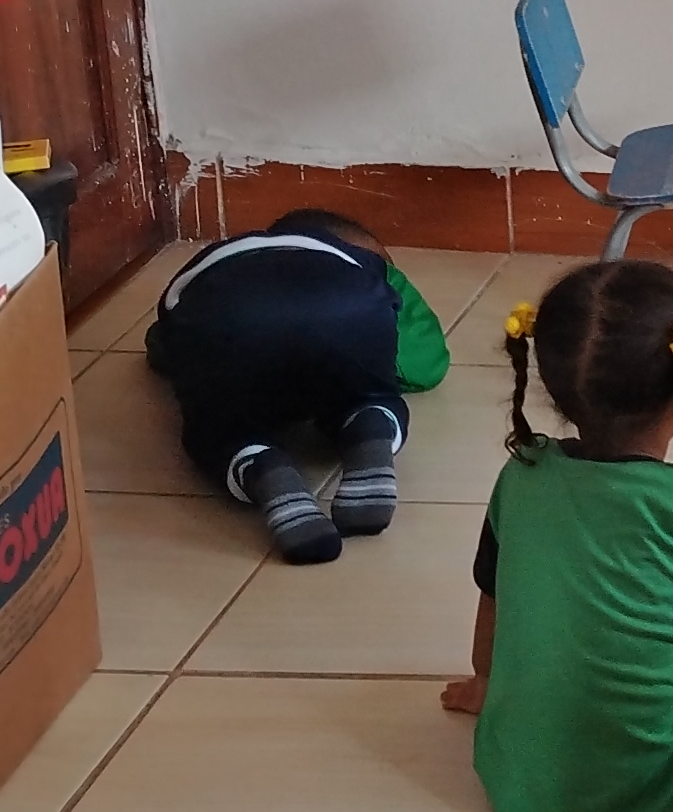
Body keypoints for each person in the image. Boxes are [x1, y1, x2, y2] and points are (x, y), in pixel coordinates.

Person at [444, 261, 673, 812]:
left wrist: (486, 682)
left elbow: (494, 591)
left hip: (516, 780)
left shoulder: (522, 475)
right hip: (663, 783)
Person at [144, 207, 447, 563]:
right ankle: (371, 420)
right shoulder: (358, 261)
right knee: (366, 390)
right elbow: (425, 361)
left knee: (219, 429)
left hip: (230, 318)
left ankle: (261, 465)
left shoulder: (213, 259)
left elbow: (164, 345)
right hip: (348, 309)